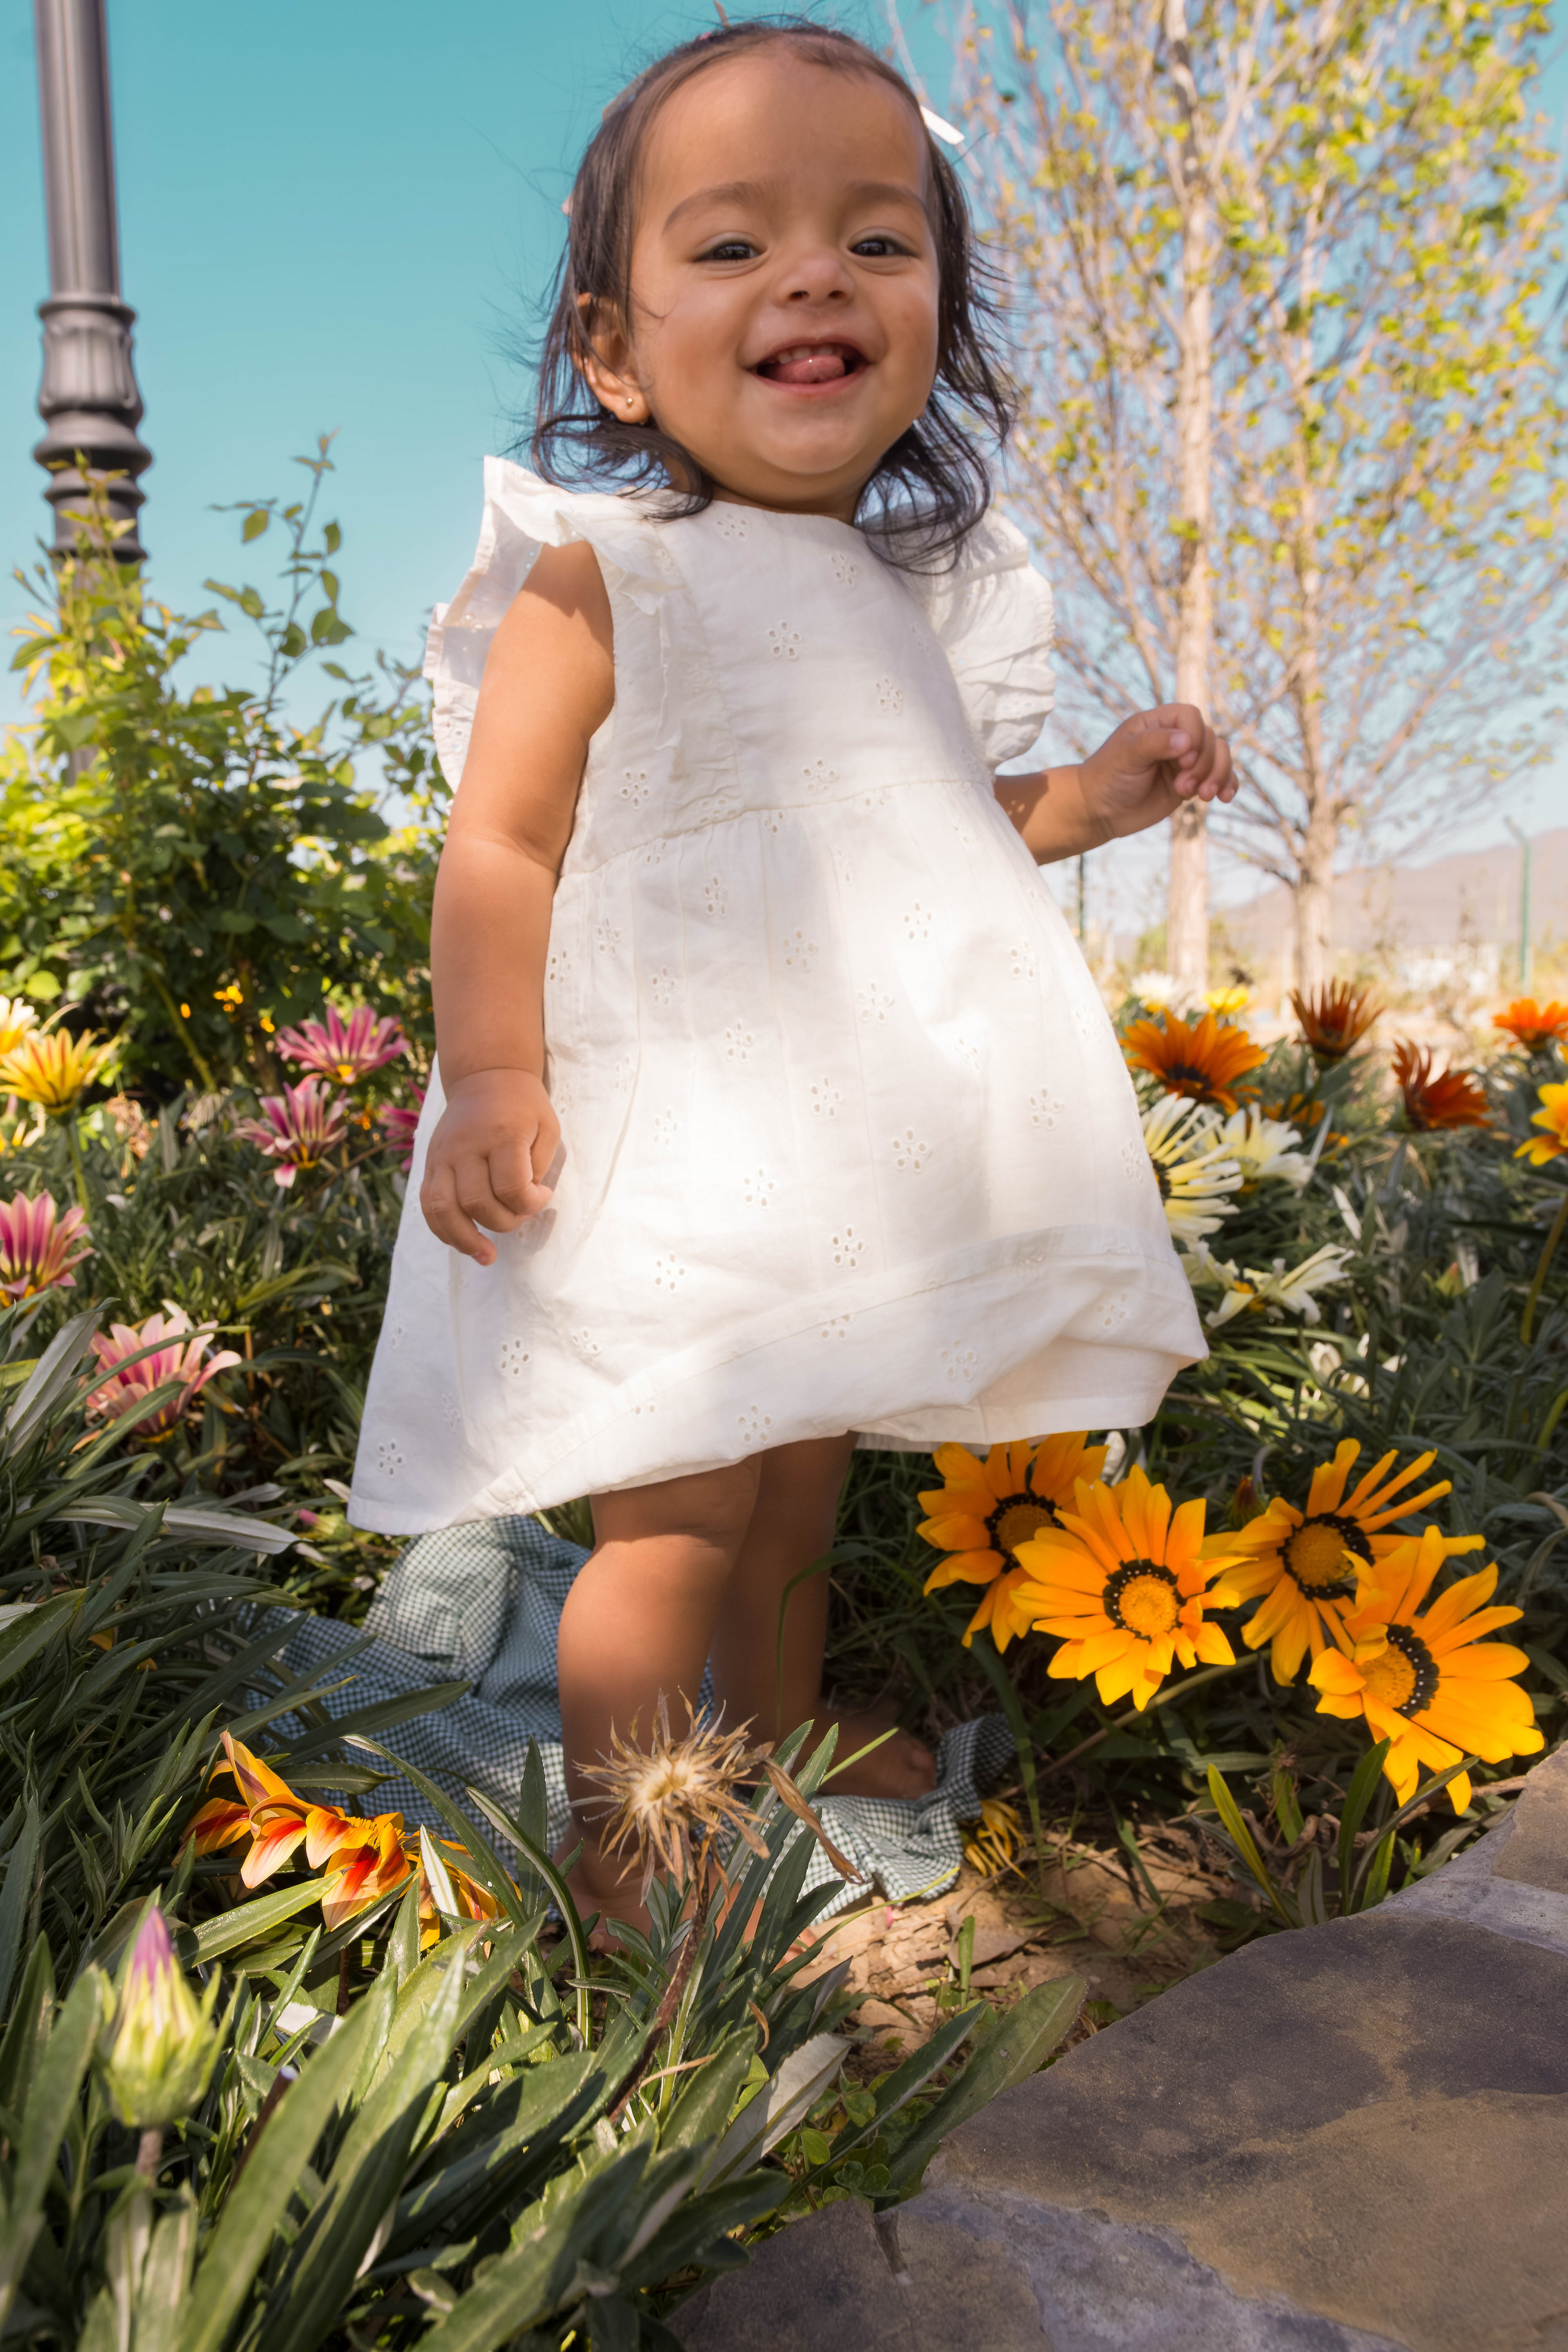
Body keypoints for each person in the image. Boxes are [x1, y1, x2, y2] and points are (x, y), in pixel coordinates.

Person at [348, 18, 1232, 1933]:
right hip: (657, 1135)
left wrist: (1090, 794)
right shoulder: (600, 571)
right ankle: (635, 1864)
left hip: (840, 1158)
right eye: (732, 246)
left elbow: (933, 821)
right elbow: (501, 844)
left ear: (930, 315)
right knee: (678, 1517)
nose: (814, 274)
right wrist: (493, 1072)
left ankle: (771, 1749)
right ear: (613, 348)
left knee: (800, 1503)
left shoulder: (906, 600)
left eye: (876, 241)